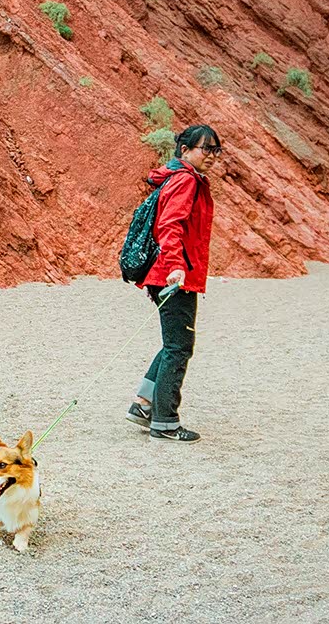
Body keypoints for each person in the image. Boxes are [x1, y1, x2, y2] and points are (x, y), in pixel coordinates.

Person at [126, 125, 220, 441]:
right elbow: (170, 225)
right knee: (179, 347)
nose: (212, 155)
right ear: (185, 150)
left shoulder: (180, 178)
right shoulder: (185, 180)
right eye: (206, 148)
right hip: (173, 276)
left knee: (174, 343)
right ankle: (165, 421)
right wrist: (177, 267)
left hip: (167, 273)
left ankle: (143, 404)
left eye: (216, 150)